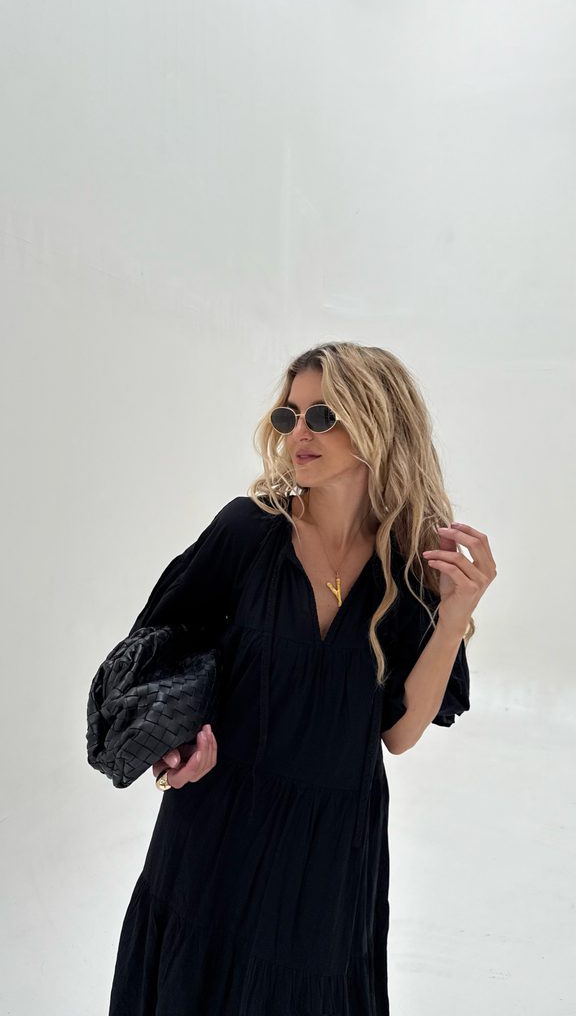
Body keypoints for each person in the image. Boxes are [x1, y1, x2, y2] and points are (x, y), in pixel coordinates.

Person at [106, 341, 496, 1015]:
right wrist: (177, 737)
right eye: (290, 416)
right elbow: (156, 653)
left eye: (323, 415)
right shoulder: (248, 532)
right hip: (216, 829)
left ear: (379, 423)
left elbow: (400, 733)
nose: (299, 434)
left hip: (330, 849)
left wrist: (455, 613)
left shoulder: (410, 568)